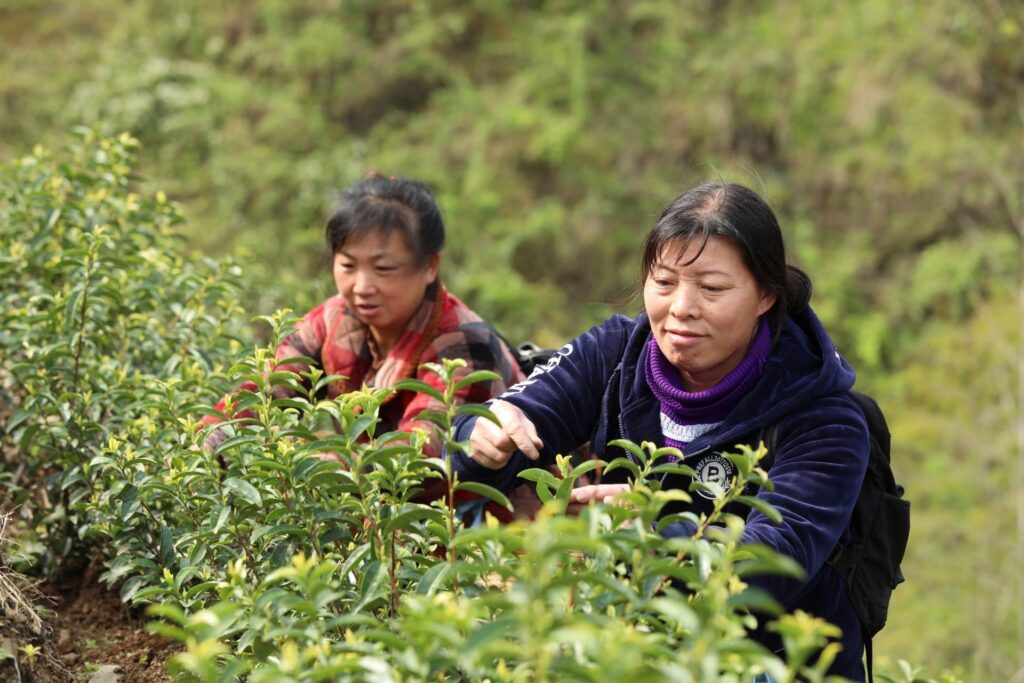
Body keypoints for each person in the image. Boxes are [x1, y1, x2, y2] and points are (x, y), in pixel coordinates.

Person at [449, 182, 870, 680]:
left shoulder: (824, 419)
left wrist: (659, 529)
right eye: (664, 282)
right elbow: (504, 427)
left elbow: (772, 565)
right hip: (627, 649)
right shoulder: (613, 356)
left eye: (712, 289)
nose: (681, 308)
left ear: (765, 297)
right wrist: (483, 437)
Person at [201, 173, 525, 465]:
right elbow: (265, 391)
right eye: (347, 266)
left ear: (429, 266)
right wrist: (208, 441)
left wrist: (306, 467)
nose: (362, 287)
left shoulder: (463, 342)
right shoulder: (333, 319)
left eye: (383, 269)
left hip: (486, 517)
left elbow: (419, 454)